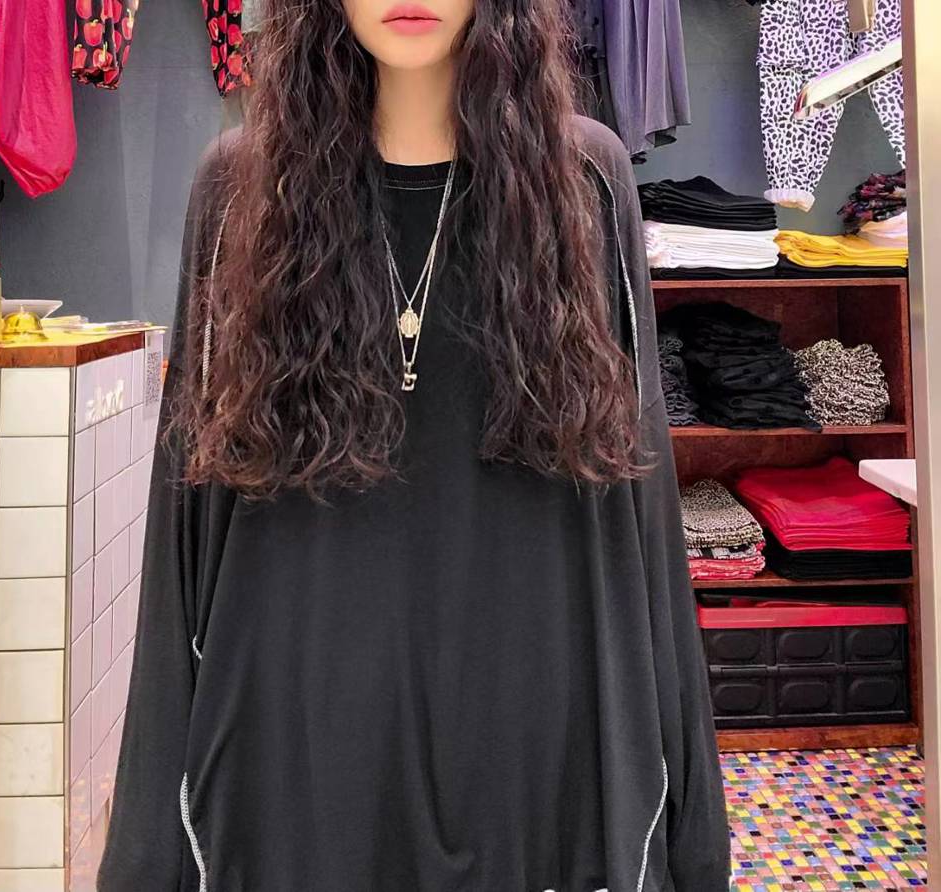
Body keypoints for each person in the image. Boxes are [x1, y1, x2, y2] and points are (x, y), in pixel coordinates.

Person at [97, 1, 731, 889]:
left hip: (532, 754)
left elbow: (645, 503)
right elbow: (186, 521)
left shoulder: (585, 178)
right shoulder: (240, 187)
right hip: (293, 762)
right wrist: (145, 854)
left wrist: (691, 837)